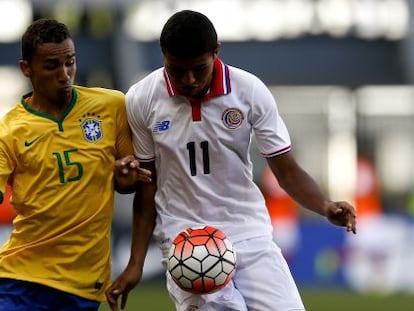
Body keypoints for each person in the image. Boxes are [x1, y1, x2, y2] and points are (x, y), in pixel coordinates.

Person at [107, 10, 357, 311]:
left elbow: (287, 172)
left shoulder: (249, 91)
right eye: (177, 70)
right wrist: (136, 263)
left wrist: (325, 205)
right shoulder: (142, 98)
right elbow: (147, 187)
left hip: (249, 231)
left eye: (199, 69)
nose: (189, 79)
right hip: (186, 238)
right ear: (163, 56)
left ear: (217, 52)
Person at [0, 18, 151, 311]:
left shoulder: (111, 106)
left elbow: (127, 182)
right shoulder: (8, 132)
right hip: (21, 278)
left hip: (84, 284)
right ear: (26, 69)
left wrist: (127, 176)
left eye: (70, 62)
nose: (64, 74)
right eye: (52, 66)